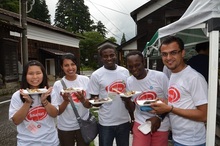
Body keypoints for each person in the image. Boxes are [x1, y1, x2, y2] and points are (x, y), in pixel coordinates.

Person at [151, 36, 208, 146]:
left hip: (192, 141)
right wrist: (164, 103)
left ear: (182, 53)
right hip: (177, 137)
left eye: (173, 53)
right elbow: (180, 102)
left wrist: (170, 108)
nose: (168, 57)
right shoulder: (173, 74)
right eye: (164, 54)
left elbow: (204, 115)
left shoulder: (194, 78)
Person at [86, 44, 131, 146]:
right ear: (101, 58)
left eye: (112, 55)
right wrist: (98, 101)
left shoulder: (124, 72)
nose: (109, 58)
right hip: (106, 122)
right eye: (105, 56)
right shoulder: (96, 75)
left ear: (116, 55)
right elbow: (94, 98)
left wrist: (132, 118)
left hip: (123, 120)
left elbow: (129, 95)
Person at [124, 51, 170, 146]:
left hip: (161, 123)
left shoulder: (160, 77)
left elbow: (171, 101)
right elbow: (132, 108)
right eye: (130, 66)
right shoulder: (129, 81)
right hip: (141, 122)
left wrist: (159, 118)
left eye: (137, 65)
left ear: (144, 62)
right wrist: (127, 100)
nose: (134, 69)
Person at [9, 60, 59, 146]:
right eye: (31, 73)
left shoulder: (50, 93)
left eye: (38, 73)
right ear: (25, 76)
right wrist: (27, 103)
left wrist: (45, 101)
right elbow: (16, 121)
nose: (35, 77)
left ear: (43, 75)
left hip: (50, 142)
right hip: (27, 143)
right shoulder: (17, 95)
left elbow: (54, 114)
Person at [51, 53, 91, 146]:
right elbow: (58, 112)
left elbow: (89, 105)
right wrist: (66, 101)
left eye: (72, 64)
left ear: (76, 65)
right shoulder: (58, 84)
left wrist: (82, 99)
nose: (70, 68)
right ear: (62, 67)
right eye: (66, 65)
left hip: (83, 124)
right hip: (65, 127)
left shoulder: (85, 80)